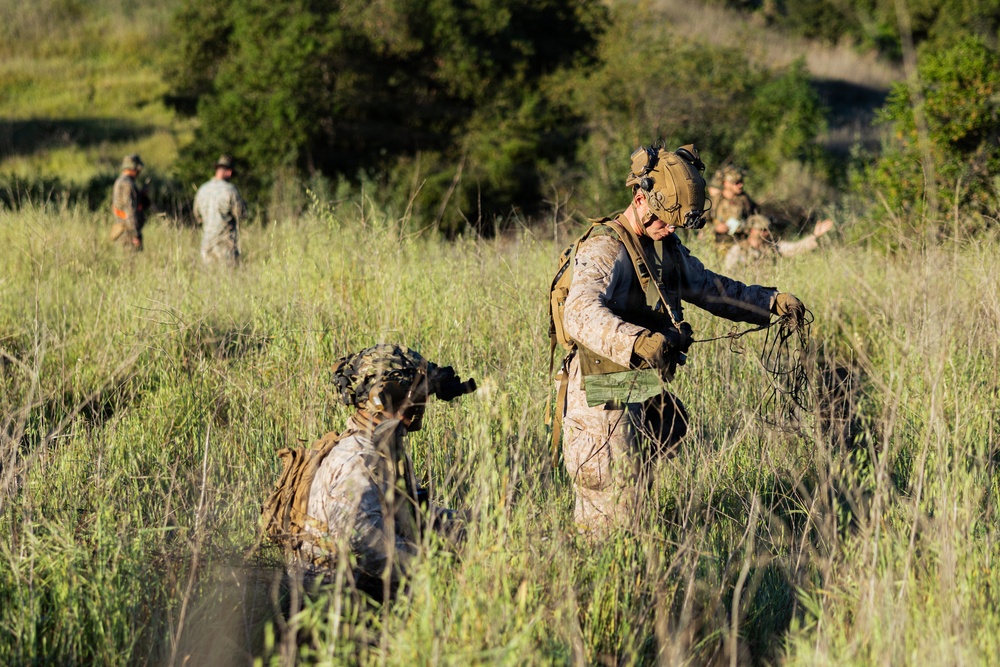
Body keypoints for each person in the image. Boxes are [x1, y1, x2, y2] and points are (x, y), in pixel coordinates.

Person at [558, 144, 805, 535]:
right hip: (599, 389)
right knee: (606, 507)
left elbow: (711, 287)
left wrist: (770, 302)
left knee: (638, 492)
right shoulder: (606, 248)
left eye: (676, 222)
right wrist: (636, 342)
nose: (670, 229)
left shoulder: (663, 246)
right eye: (663, 220)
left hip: (636, 383)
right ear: (640, 200)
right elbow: (579, 313)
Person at [272, 344, 475, 596]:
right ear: (385, 397)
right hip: (334, 596)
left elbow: (411, 510)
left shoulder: (381, 448)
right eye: (416, 396)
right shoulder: (358, 458)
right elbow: (361, 538)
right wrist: (432, 568)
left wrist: (468, 524)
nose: (421, 406)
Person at [724, 214, 834, 271]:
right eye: (763, 230)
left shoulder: (773, 246)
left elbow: (796, 248)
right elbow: (728, 272)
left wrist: (814, 236)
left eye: (768, 230)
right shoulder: (738, 250)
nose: (766, 233)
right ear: (752, 230)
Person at [193, 154, 248, 267]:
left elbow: (197, 216)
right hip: (225, 246)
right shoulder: (230, 190)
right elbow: (241, 214)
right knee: (228, 281)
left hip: (206, 245)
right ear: (229, 172)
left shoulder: (202, 190)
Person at [708, 166, 758, 256]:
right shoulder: (715, 201)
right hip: (718, 245)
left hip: (741, 244)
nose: (741, 185)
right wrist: (715, 228)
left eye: (741, 182)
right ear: (726, 183)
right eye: (736, 183)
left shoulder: (746, 200)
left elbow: (755, 218)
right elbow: (700, 223)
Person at [110, 154, 147, 250]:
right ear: (133, 168)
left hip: (123, 229)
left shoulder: (120, 181)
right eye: (138, 169)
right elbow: (130, 210)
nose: (139, 172)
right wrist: (135, 234)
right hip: (128, 233)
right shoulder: (127, 184)